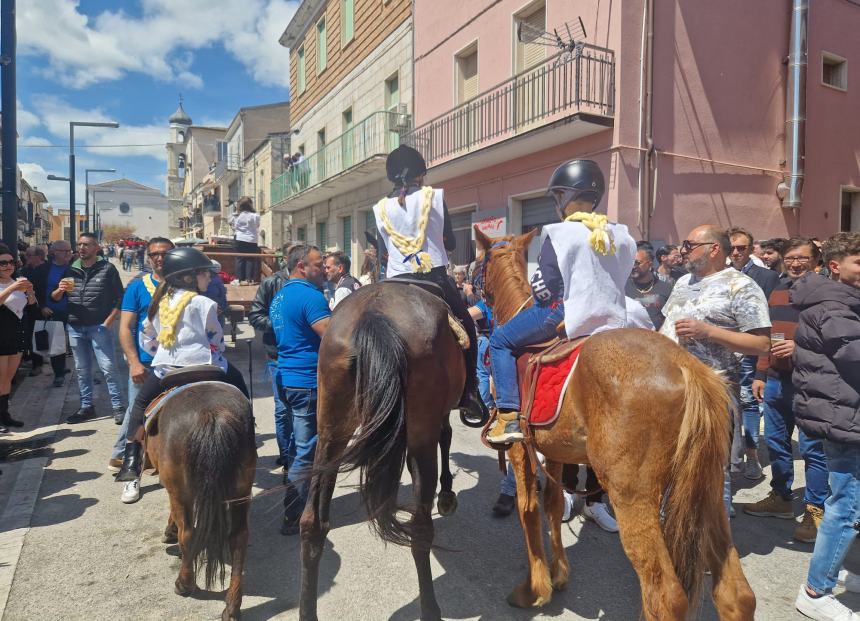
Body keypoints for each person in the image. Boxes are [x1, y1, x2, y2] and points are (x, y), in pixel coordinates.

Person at [487, 159, 635, 444]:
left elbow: (545, 288)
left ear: (566, 196)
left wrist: (538, 288)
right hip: (615, 317)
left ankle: (507, 416)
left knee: (499, 340)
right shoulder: (622, 234)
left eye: (557, 196)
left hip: (563, 312)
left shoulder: (559, 232)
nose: (557, 203)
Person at [114, 247, 249, 503]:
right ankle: (246, 438)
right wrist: (212, 351)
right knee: (240, 387)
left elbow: (147, 339)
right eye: (204, 274)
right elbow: (216, 339)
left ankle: (131, 461)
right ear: (189, 277)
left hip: (167, 369)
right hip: (206, 365)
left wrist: (163, 353)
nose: (209, 279)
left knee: (140, 405)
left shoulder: (158, 302)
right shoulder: (205, 303)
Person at [660, 225, 771, 517]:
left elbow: (761, 344)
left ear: (713, 249)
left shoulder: (741, 286)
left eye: (690, 244)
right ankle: (674, 524)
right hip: (671, 388)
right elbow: (668, 325)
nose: (684, 250)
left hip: (712, 390)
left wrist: (707, 331)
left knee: (711, 468)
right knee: (674, 461)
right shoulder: (683, 281)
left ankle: (715, 539)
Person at [372, 144, 488, 425]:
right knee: (467, 325)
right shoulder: (433, 197)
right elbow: (450, 242)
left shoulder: (379, 208)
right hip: (433, 278)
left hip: (395, 282)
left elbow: (383, 254)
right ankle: (471, 391)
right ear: (421, 174)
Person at [793, 232, 860, 620]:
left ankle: (848, 576)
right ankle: (815, 592)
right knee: (845, 505)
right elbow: (853, 354)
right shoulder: (834, 306)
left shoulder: (844, 301)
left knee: (851, 502)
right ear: (835, 266)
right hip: (845, 417)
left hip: (846, 411)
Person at [744, 237, 829, 543]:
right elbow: (768, 334)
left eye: (802, 258)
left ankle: (815, 511)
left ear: (816, 260)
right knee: (778, 443)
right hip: (777, 381)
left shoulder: (826, 294)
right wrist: (760, 373)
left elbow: (836, 342)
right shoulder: (778, 290)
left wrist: (802, 346)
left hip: (812, 383)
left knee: (811, 450)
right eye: (790, 258)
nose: (795, 263)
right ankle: (781, 497)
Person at [269, 244, 331, 535]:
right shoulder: (311, 296)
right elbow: (331, 339)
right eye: (319, 264)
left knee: (297, 446)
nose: (324, 269)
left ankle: (302, 499)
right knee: (307, 449)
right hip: (306, 381)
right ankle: (293, 514)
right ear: (301, 267)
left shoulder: (280, 296)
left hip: (286, 377)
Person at [109, 237, 174, 474]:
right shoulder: (137, 287)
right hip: (145, 364)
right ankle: (123, 456)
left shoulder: (184, 285)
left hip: (177, 363)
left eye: (164, 253)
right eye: (154, 254)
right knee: (137, 410)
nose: (159, 258)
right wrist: (134, 362)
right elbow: (125, 327)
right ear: (148, 257)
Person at [53, 233, 126, 423]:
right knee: (82, 369)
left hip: (99, 327)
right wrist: (60, 290)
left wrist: (109, 321)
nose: (81, 248)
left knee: (108, 368)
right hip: (75, 327)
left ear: (96, 248)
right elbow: (55, 298)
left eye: (86, 244)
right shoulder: (70, 270)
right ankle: (86, 407)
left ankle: (119, 407)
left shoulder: (107, 269)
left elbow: (120, 297)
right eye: (79, 244)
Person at [728, 226, 780, 480]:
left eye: (742, 248)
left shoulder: (766, 277)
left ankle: (752, 456)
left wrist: (763, 362)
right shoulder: (719, 276)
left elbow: (769, 323)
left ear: (751, 250)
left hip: (749, 350)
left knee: (748, 402)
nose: (736, 252)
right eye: (732, 248)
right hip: (723, 350)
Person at [248, 257, 294, 473]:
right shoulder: (271, 283)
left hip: (307, 356)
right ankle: (286, 456)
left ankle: (301, 456)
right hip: (277, 354)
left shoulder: (314, 282)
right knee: (283, 408)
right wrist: (283, 325)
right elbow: (256, 316)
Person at [0, 247, 38, 431]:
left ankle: (4, 414)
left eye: (11, 262)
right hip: (1, 334)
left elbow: (31, 305)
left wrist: (30, 291)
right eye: (3, 263)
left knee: (8, 377)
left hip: (16, 334)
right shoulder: (11, 285)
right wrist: (12, 288)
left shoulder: (17, 281)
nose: (8, 266)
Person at [30, 241, 72, 387]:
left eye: (69, 250)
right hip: (53, 310)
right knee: (56, 342)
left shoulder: (75, 267)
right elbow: (33, 289)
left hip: (73, 311)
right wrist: (42, 306)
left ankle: (63, 367)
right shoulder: (44, 269)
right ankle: (59, 373)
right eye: (64, 251)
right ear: (54, 252)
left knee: (72, 343)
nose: (68, 253)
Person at [624, 246, 673, 330]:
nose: (633, 266)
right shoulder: (623, 288)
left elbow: (671, 317)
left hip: (657, 339)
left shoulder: (667, 288)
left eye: (637, 263)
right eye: (630, 262)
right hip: (629, 339)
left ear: (650, 264)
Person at [21, 246, 47, 377]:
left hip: (43, 307)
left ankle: (40, 362)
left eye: (29, 255)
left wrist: (44, 305)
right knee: (31, 335)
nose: (27, 258)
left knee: (40, 335)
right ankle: (36, 362)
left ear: (38, 256)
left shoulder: (47, 269)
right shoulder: (24, 270)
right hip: (28, 308)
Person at [230, 197, 261, 285]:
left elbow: (234, 226)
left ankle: (239, 280)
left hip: (239, 238)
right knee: (250, 259)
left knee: (239, 259)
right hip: (252, 239)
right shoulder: (255, 216)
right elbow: (257, 226)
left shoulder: (237, 215)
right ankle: (249, 279)